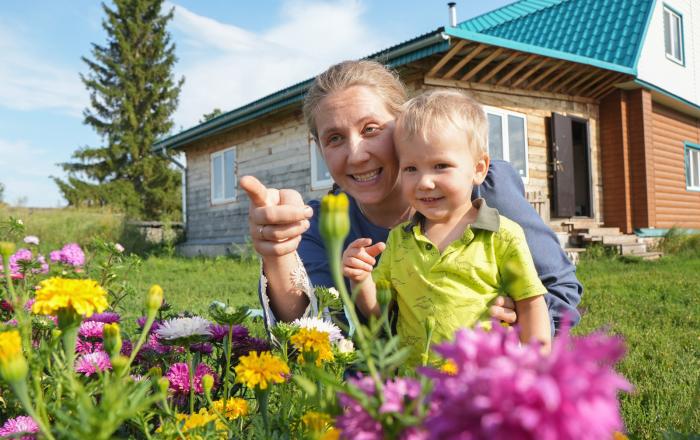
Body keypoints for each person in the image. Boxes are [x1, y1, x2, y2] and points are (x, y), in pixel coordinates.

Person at [240, 59, 582, 334]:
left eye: (371, 129)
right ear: (319, 149)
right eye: (334, 138)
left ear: (403, 125)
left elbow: (560, 290)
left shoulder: (482, 189)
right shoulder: (322, 221)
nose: (356, 154)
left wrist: (523, 321)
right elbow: (311, 330)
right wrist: (280, 256)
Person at [342, 89, 551, 364]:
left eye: (440, 166)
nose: (424, 182)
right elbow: (378, 313)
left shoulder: (502, 235)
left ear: (478, 169)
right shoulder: (399, 240)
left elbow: (531, 304)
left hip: (481, 382)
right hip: (415, 390)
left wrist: (537, 369)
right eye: (410, 169)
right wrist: (361, 279)